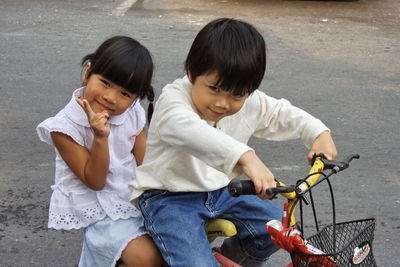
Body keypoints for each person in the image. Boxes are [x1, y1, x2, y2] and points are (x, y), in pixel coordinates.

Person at [129, 18, 337, 267]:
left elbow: (279, 113)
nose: (222, 103)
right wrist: (246, 158)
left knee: (278, 228)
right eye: (214, 88)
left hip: (222, 192)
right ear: (192, 73)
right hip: (168, 198)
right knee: (196, 264)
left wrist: (317, 133)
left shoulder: (249, 101)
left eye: (237, 94)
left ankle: (231, 259)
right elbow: (190, 131)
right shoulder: (173, 101)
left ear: (250, 89)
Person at [36, 36, 162, 267]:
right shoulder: (63, 128)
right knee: (147, 258)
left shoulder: (131, 113)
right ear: (88, 72)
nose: (110, 98)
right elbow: (95, 181)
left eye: (125, 94)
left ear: (136, 98)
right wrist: (101, 137)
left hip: (134, 197)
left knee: (176, 246)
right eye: (105, 83)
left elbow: (147, 163)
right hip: (102, 209)